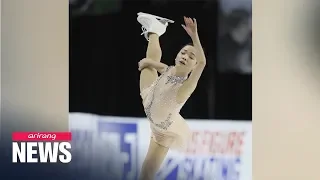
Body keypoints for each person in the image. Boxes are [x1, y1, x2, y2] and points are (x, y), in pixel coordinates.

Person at [136, 12, 206, 180]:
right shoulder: (172, 69)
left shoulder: (187, 86)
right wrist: (150, 63)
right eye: (183, 53)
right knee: (148, 64)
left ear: (194, 66)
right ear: (176, 55)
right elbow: (165, 69)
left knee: (146, 174)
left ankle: (156, 29)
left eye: (191, 57)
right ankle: (155, 29)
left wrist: (194, 36)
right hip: (149, 96)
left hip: (162, 132)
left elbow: (203, 62)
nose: (185, 57)